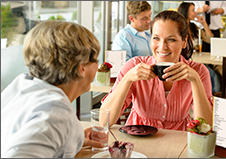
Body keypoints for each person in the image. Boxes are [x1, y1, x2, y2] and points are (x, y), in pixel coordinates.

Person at [1, 21, 107, 157]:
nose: (98, 67)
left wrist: (72, 141)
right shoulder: (56, 112)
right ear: (81, 68)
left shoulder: (22, 85)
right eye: (96, 60)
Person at [100, 10, 213, 131]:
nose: (162, 46)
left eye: (171, 40)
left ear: (184, 42)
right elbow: (104, 121)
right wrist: (127, 79)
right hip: (137, 141)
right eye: (156, 38)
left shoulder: (199, 71)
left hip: (178, 143)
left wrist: (195, 80)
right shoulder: (134, 65)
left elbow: (206, 127)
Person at [178, 2, 221, 94]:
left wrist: (204, 23)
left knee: (215, 76)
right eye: (193, 10)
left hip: (195, 60)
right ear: (186, 12)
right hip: (184, 61)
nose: (195, 13)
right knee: (213, 76)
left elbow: (210, 39)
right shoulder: (178, 28)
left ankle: (212, 102)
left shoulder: (194, 27)